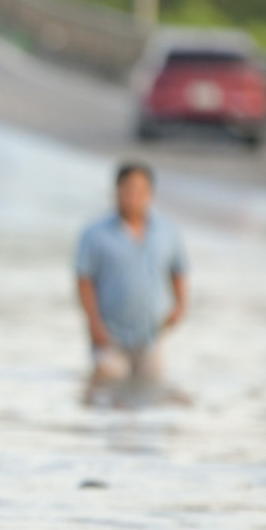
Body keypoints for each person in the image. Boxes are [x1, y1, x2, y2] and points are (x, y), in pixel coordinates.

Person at [75, 163, 188, 387]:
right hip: (109, 334)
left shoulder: (167, 232)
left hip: (152, 335)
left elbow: (179, 270)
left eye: (140, 190)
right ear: (116, 191)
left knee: (151, 394)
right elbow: (84, 281)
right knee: (105, 393)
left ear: (150, 194)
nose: (133, 196)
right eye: (127, 188)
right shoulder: (95, 233)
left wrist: (180, 306)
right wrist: (94, 325)